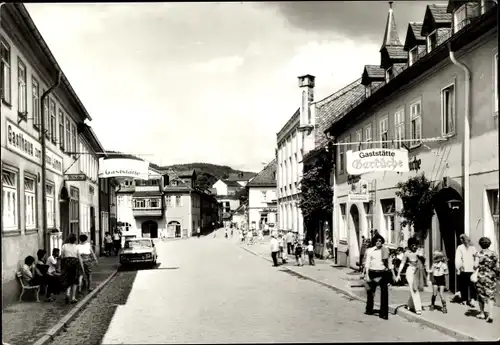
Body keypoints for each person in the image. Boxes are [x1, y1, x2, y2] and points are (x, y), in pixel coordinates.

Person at [396, 237, 425, 315]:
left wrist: (420, 253)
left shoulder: (418, 252)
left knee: (415, 288)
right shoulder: (406, 253)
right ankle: (418, 308)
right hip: (410, 271)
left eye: (415, 245)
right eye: (412, 245)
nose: (414, 247)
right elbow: (402, 263)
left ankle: (409, 305)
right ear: (409, 246)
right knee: (414, 289)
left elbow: (423, 258)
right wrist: (398, 274)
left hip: (417, 271)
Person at [473, 236, 499, 323]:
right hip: (491, 277)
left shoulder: (478, 254)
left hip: (481, 277)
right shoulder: (494, 254)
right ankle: (490, 315)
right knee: (490, 296)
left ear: (480, 245)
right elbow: (498, 267)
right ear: (489, 244)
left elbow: (475, 266)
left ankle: (482, 313)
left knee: (481, 295)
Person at [364, 234, 390, 320]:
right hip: (372, 273)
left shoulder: (385, 250)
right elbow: (367, 264)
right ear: (374, 241)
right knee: (371, 292)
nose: (378, 242)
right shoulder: (370, 250)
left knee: (384, 293)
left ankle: (384, 313)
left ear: (382, 242)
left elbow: (388, 263)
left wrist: (390, 273)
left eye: (380, 241)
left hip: (382, 273)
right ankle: (369, 309)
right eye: (377, 241)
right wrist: (367, 275)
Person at [60, 233, 84, 304]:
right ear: (75, 240)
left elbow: (62, 257)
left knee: (68, 280)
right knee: (74, 281)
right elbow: (79, 258)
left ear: (68, 239)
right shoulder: (76, 247)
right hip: (75, 264)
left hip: (67, 264)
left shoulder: (64, 246)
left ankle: (67, 294)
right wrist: (82, 268)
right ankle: (73, 297)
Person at [455, 234, 477, 307]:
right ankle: (466, 299)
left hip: (470, 268)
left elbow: (476, 257)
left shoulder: (472, 248)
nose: (460, 240)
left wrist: (475, 265)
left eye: (461, 239)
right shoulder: (461, 247)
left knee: (470, 285)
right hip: (465, 268)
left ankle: (470, 299)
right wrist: (459, 266)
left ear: (463, 239)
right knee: (466, 285)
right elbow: (458, 258)